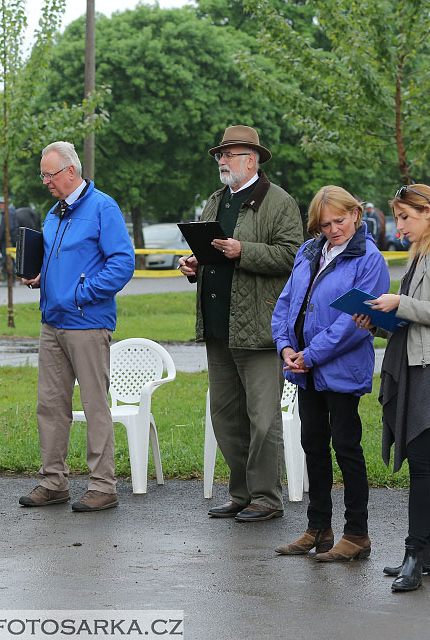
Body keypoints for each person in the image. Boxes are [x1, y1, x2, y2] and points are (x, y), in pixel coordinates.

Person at [353, 184, 430, 593]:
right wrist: (378, 321)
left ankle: (414, 554)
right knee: (425, 460)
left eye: (405, 216)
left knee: (421, 459)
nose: (398, 225)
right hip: (418, 362)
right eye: (397, 216)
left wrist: (398, 303)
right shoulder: (422, 252)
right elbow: (414, 324)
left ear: (427, 213)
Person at [179, 125, 303, 522]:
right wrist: (195, 266)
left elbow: (292, 256)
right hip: (218, 325)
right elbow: (212, 253)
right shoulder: (215, 202)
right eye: (220, 155)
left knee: (263, 420)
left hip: (260, 327)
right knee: (226, 416)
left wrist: (243, 251)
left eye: (228, 155)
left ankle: (266, 497)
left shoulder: (278, 202)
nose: (221, 161)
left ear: (251, 159)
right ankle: (241, 493)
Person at [271, 186, 389, 561]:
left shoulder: (369, 259)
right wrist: (285, 347)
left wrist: (311, 354)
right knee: (314, 447)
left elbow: (356, 322)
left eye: (340, 220)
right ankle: (318, 528)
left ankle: (357, 535)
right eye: (325, 223)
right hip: (305, 370)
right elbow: (286, 303)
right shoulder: (309, 252)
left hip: (340, 369)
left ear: (356, 213)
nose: (334, 229)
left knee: (347, 449)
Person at [18, 141, 134, 512]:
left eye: (49, 175)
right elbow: (63, 260)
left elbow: (122, 262)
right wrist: (44, 277)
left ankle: (103, 486)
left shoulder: (103, 207)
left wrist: (82, 293)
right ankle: (54, 481)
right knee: (50, 404)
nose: (45, 182)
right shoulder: (54, 213)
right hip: (52, 322)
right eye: (43, 175)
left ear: (71, 171)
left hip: (86, 322)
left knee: (94, 404)